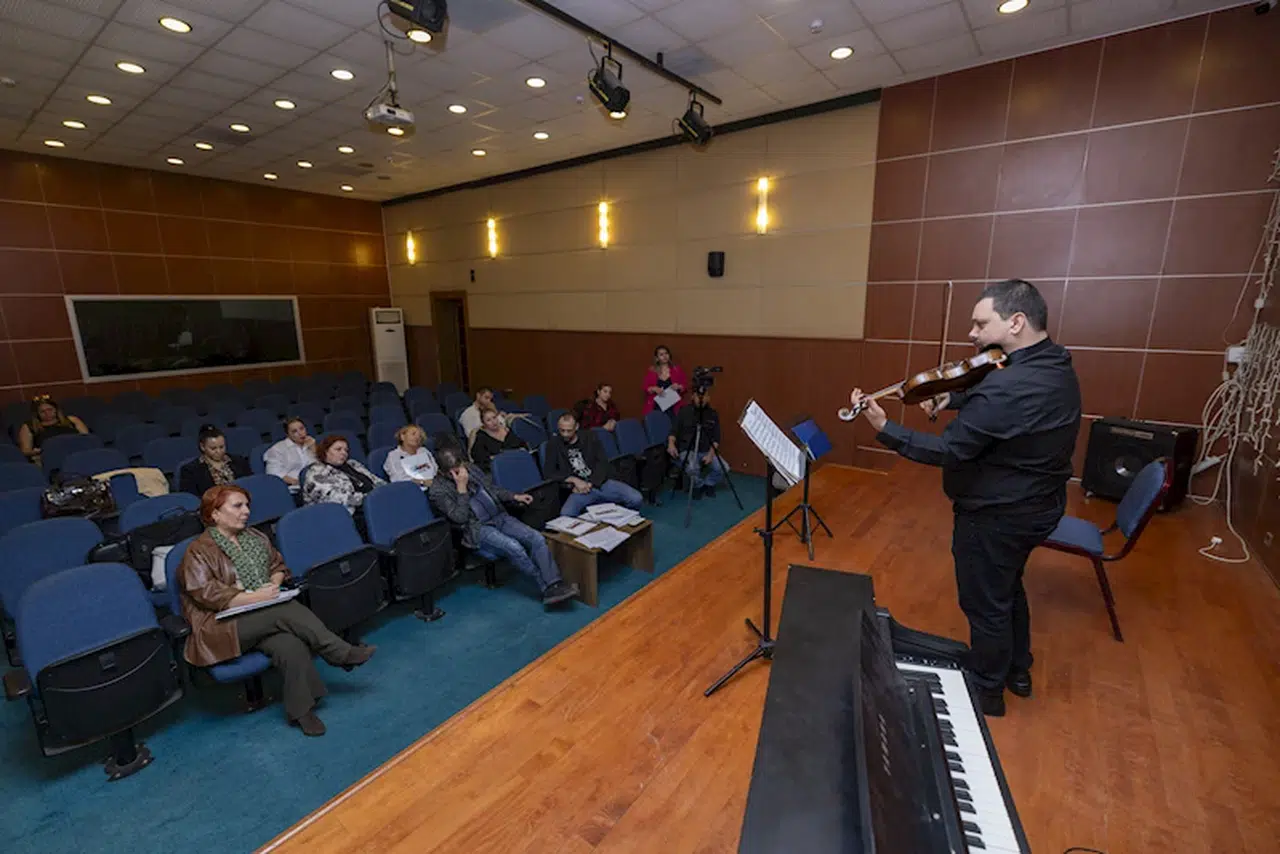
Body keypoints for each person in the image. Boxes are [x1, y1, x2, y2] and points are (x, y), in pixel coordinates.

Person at [848, 279, 1081, 717]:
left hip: (997, 515)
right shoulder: (1054, 363)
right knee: (1007, 587)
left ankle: (987, 690)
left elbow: (948, 450)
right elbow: (1000, 404)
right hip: (1040, 505)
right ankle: (1018, 669)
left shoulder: (1007, 388)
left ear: (1016, 322)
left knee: (985, 603)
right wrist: (952, 397)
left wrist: (885, 429)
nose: (972, 335)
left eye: (981, 324)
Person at [177, 484, 376, 737]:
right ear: (214, 514)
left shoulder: (255, 537)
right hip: (221, 626)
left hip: (262, 615)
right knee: (283, 610)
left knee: (289, 644)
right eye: (237, 506)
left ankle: (301, 710)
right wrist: (255, 597)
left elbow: (278, 566)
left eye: (247, 505)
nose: (246, 511)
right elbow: (207, 594)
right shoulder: (198, 551)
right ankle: (339, 652)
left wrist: (273, 583)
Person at [427, 445, 580, 607]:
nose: (459, 473)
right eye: (453, 471)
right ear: (442, 472)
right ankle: (547, 587)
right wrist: (462, 489)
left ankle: (554, 582)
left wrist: (514, 496)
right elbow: (459, 518)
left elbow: (492, 489)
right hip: (478, 528)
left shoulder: (471, 469)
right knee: (514, 547)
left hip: (499, 516)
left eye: (459, 467)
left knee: (536, 538)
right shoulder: (437, 490)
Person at [543, 412, 644, 517]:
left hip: (600, 483)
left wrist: (590, 483)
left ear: (576, 427)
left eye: (569, 431)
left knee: (636, 498)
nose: (565, 434)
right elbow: (548, 472)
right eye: (562, 430)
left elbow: (602, 462)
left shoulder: (590, 437)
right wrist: (574, 480)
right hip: (578, 490)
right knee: (566, 514)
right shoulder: (553, 444)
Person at [667, 387, 728, 498]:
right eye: (698, 396)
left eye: (704, 396)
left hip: (706, 449)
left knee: (723, 467)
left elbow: (716, 438)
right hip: (688, 448)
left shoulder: (713, 414)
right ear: (693, 397)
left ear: (708, 398)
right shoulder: (684, 411)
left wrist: (710, 454)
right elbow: (673, 431)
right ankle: (698, 485)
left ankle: (708, 484)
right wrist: (671, 444)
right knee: (692, 468)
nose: (701, 399)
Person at [301, 435, 384, 515]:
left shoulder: (353, 464)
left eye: (346, 450)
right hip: (343, 515)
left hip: (373, 505)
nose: (344, 453)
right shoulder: (316, 473)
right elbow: (337, 499)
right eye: (338, 449)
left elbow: (376, 480)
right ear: (325, 451)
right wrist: (372, 498)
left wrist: (384, 492)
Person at [178, 424, 252, 497]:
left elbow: (250, 484)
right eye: (213, 448)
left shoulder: (239, 461)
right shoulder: (190, 470)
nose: (218, 451)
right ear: (202, 447)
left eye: (221, 447)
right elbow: (191, 499)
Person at [16, 395, 89, 462]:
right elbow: (25, 451)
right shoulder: (30, 427)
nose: (47, 413)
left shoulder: (72, 420)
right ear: (37, 413)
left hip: (77, 452)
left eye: (50, 410)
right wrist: (37, 452)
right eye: (42, 412)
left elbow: (88, 438)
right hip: (50, 457)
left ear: (56, 409)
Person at [470, 406, 528, 473]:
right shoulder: (481, 437)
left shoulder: (507, 430)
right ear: (484, 423)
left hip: (517, 464)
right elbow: (478, 457)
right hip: (497, 470)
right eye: (488, 420)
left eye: (494, 417)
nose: (493, 422)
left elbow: (522, 445)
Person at [264, 417, 317, 490]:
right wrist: (297, 482)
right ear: (288, 434)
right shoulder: (277, 449)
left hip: (315, 482)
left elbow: (321, 466)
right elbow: (273, 473)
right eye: (294, 431)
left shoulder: (310, 443)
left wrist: (314, 449)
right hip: (295, 487)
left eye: (302, 428)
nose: (300, 433)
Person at [643, 345, 687, 416]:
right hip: (656, 406)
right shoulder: (652, 371)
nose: (665, 356)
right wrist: (654, 388)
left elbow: (684, 386)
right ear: (657, 358)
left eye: (666, 353)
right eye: (661, 354)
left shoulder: (677, 370)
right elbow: (646, 388)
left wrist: (678, 386)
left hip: (673, 407)